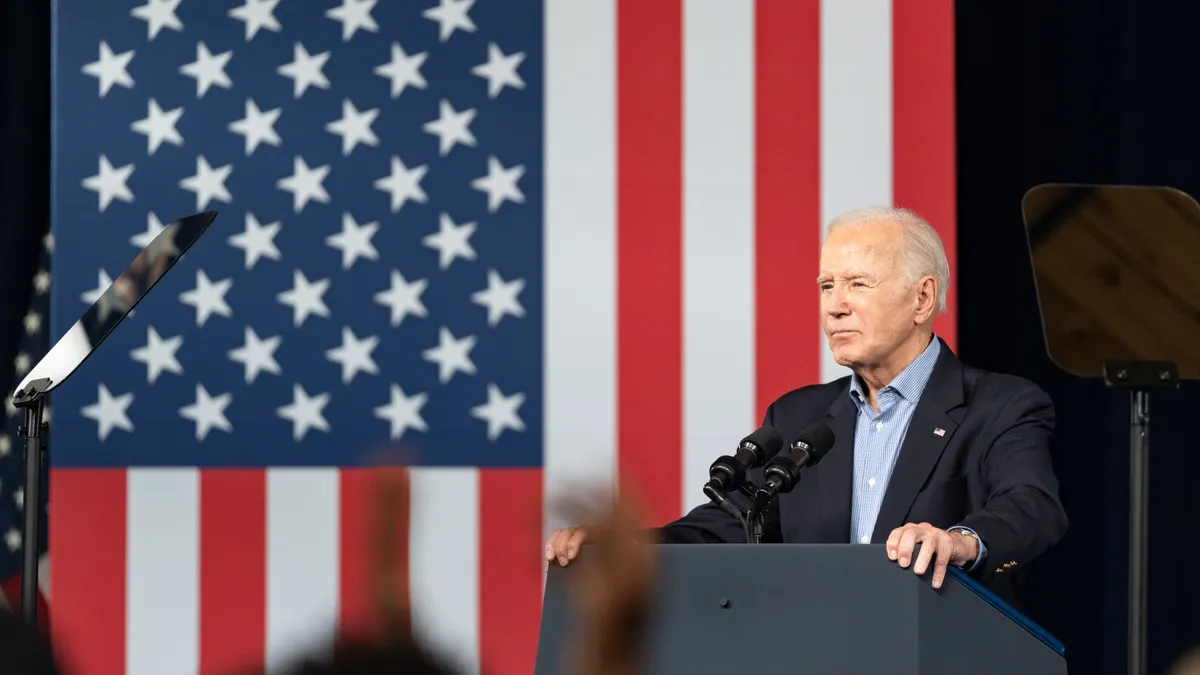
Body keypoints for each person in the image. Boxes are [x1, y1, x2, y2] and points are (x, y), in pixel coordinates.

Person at [545, 205, 1068, 605]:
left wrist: (958, 541)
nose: (835, 305)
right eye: (826, 286)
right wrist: (627, 545)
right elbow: (730, 524)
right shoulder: (799, 418)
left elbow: (1031, 506)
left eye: (858, 284)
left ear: (922, 299)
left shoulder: (999, 406)